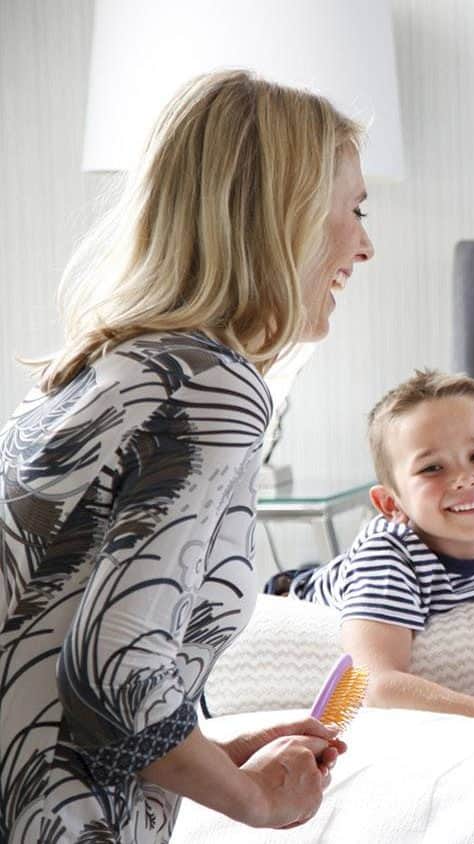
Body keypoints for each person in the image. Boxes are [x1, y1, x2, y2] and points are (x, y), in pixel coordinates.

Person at [0, 70, 372, 841]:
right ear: (285, 217)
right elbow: (115, 671)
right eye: (354, 211)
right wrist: (254, 803)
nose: (364, 245)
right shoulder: (214, 389)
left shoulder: (100, 370)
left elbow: (56, 659)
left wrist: (215, 758)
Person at [278, 369, 474, 720]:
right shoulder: (388, 558)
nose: (464, 479)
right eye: (432, 468)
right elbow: (373, 684)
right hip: (294, 593)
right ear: (391, 504)